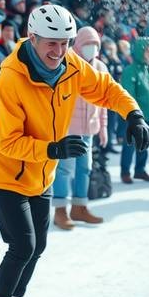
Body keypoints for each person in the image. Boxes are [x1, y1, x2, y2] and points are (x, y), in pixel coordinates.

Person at [0, 4, 148, 297]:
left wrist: (132, 113)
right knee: (22, 246)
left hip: (42, 174)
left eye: (65, 43)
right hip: (7, 173)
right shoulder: (11, 76)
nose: (59, 51)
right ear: (33, 37)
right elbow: (7, 141)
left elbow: (106, 88)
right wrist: (53, 149)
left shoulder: (72, 66)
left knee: (38, 246)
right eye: (51, 44)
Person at [52, 26, 108, 230]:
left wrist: (103, 128)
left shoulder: (101, 68)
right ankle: (60, 210)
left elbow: (104, 100)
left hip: (88, 129)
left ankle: (80, 207)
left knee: (85, 168)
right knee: (65, 169)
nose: (91, 49)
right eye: (87, 44)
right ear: (78, 44)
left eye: (95, 45)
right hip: (67, 128)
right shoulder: (66, 64)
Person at [119, 38, 149, 183]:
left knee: (144, 142)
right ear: (139, 51)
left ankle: (140, 170)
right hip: (133, 115)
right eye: (147, 50)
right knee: (129, 144)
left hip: (148, 113)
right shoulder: (129, 70)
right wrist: (133, 113)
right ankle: (125, 171)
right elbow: (128, 94)